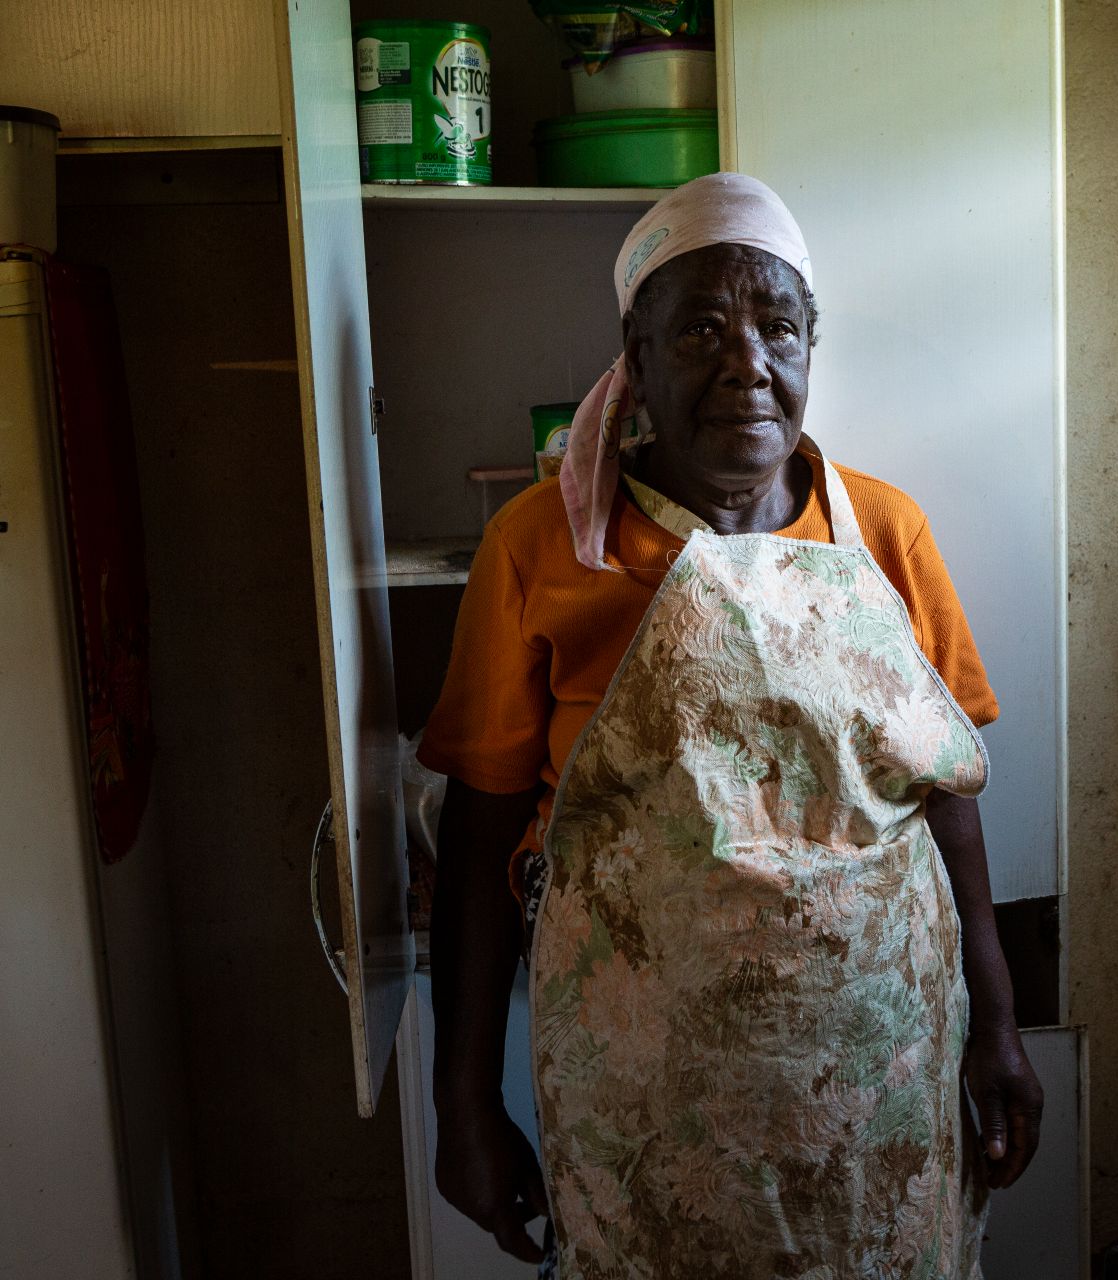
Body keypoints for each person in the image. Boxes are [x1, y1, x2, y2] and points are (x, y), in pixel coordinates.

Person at [418, 172, 1042, 1279]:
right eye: (702, 326)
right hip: (644, 1098)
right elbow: (478, 836)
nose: (746, 360)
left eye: (778, 326)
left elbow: (949, 795)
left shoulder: (884, 532)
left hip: (879, 1082)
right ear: (638, 354)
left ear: (811, 348)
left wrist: (996, 1025)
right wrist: (460, 1100)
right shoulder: (541, 547)